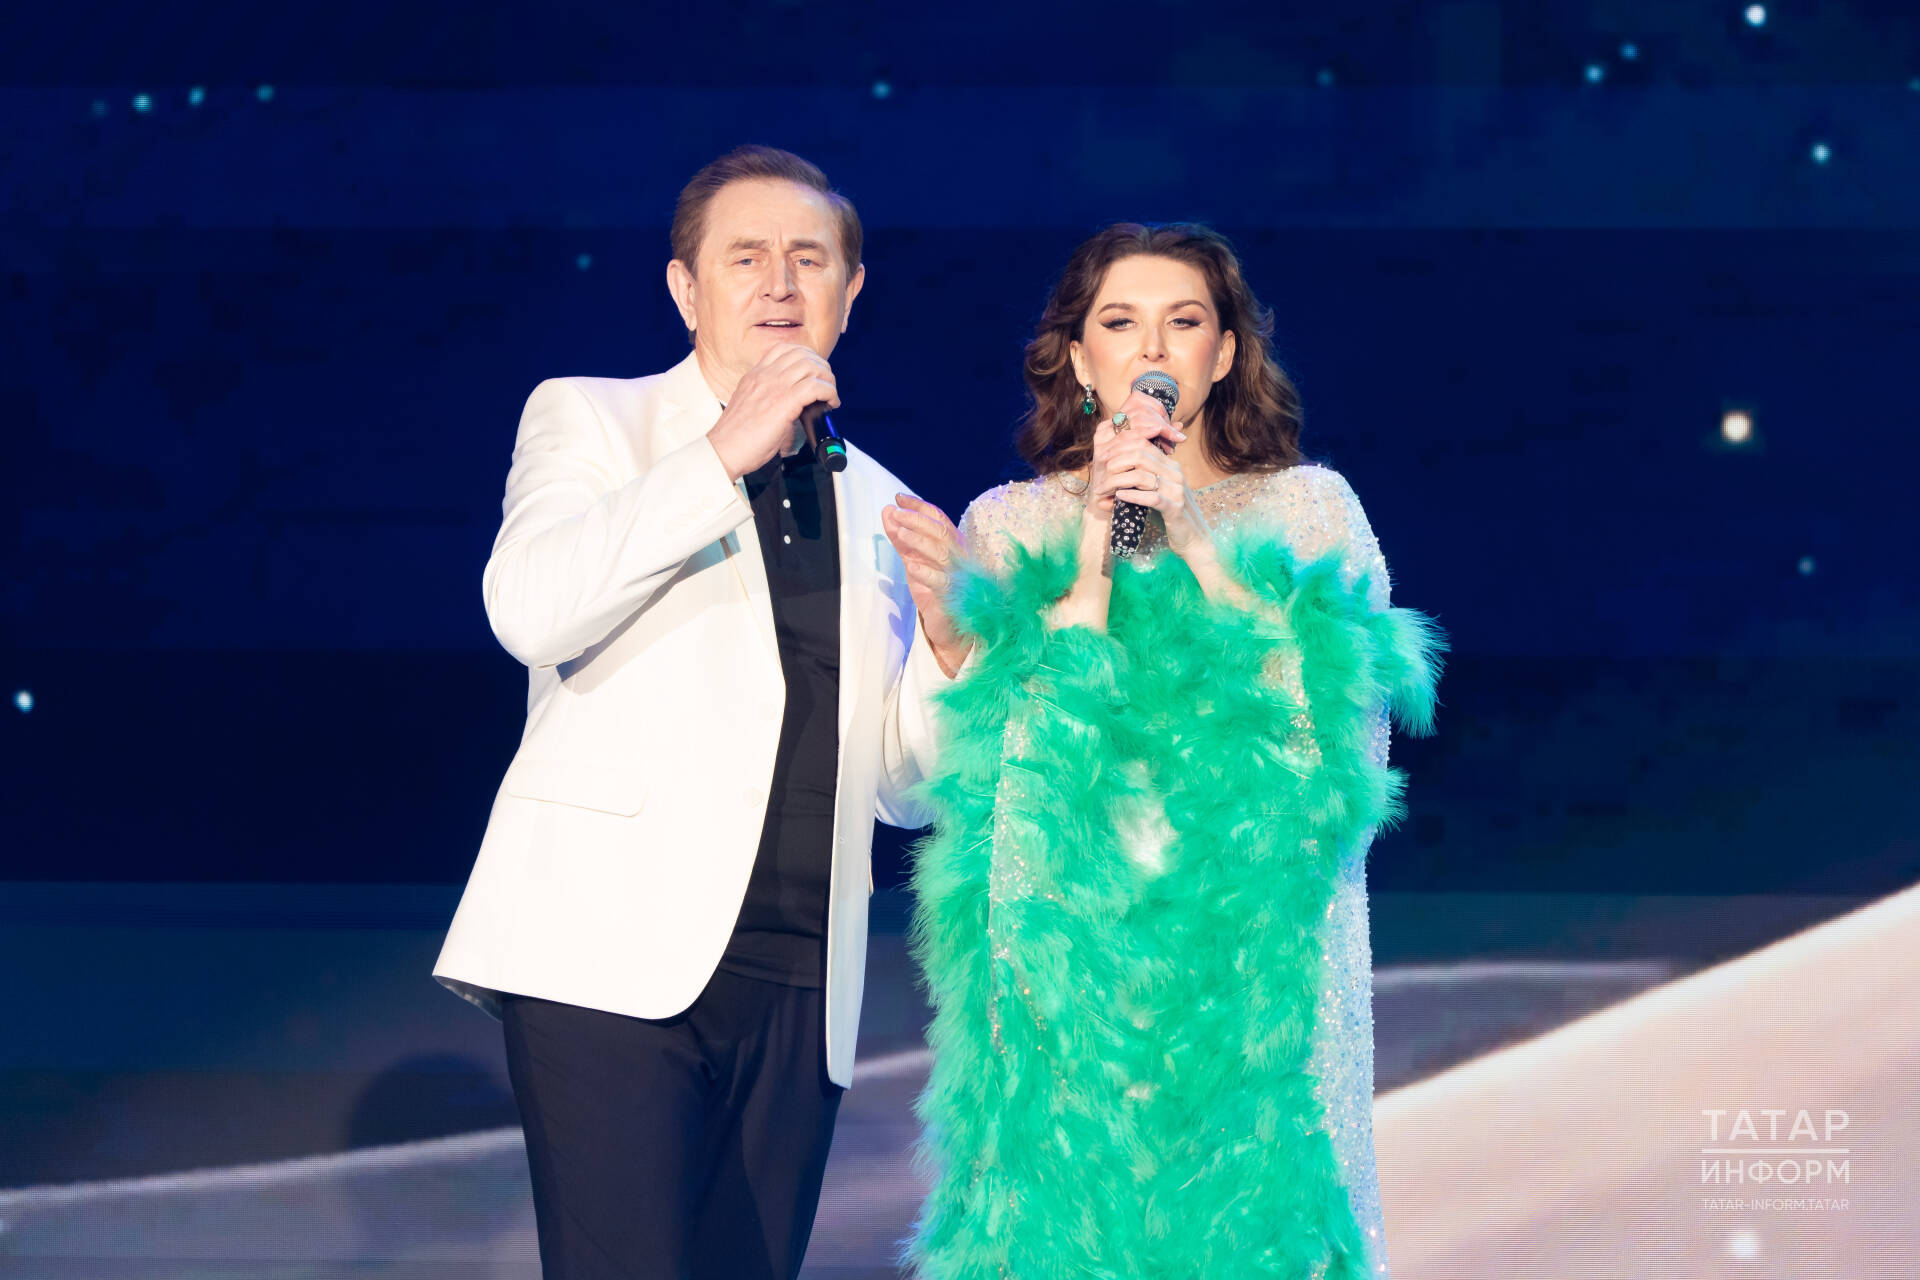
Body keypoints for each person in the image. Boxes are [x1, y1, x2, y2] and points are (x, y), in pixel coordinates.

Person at [433, 145, 968, 1280]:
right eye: (746, 256)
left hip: (800, 978)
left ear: (850, 292)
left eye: (808, 258)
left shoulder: (881, 500)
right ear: (686, 289)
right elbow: (528, 608)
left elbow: (902, 787)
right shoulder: (595, 418)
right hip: (604, 950)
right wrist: (726, 453)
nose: (780, 282)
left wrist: (949, 652)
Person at [886, 223, 1444, 1278]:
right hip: (1073, 967)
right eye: (1119, 323)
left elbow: (1335, 747)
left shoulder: (1309, 509)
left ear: (1224, 354)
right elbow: (982, 783)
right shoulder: (1008, 525)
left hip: (1248, 966)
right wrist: (1034, 598)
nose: (1151, 347)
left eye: (1183, 322)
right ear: (1079, 359)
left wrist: (1191, 536)